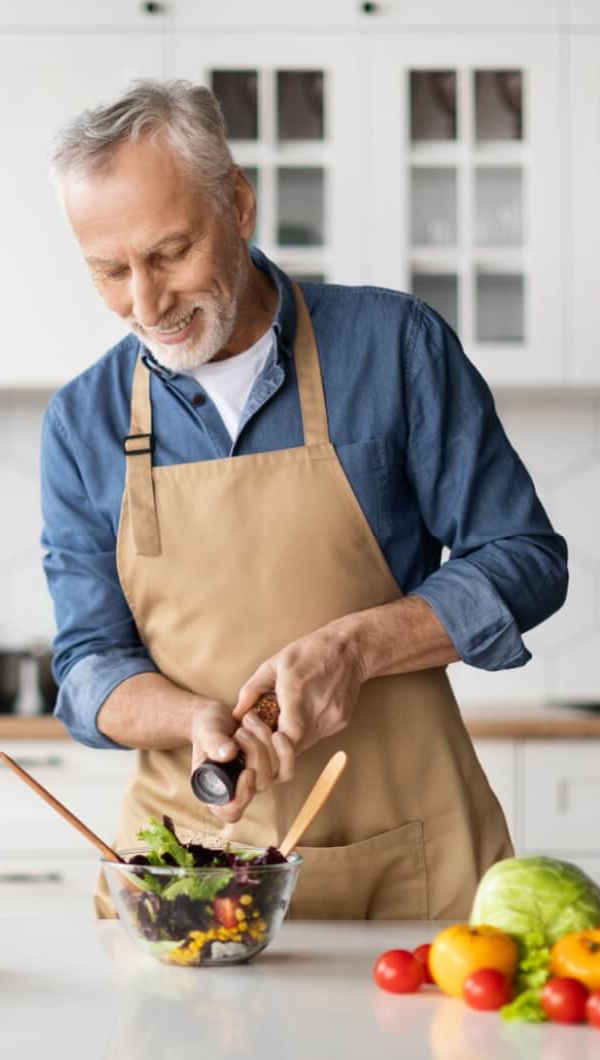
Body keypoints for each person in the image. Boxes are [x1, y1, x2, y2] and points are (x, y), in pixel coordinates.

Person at [40, 80, 567, 919]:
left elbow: (526, 560)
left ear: (238, 204)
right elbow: (87, 665)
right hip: (191, 873)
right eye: (110, 270)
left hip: (411, 860)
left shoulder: (394, 347)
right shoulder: (83, 420)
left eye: (170, 253)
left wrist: (356, 649)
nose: (146, 303)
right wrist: (193, 718)